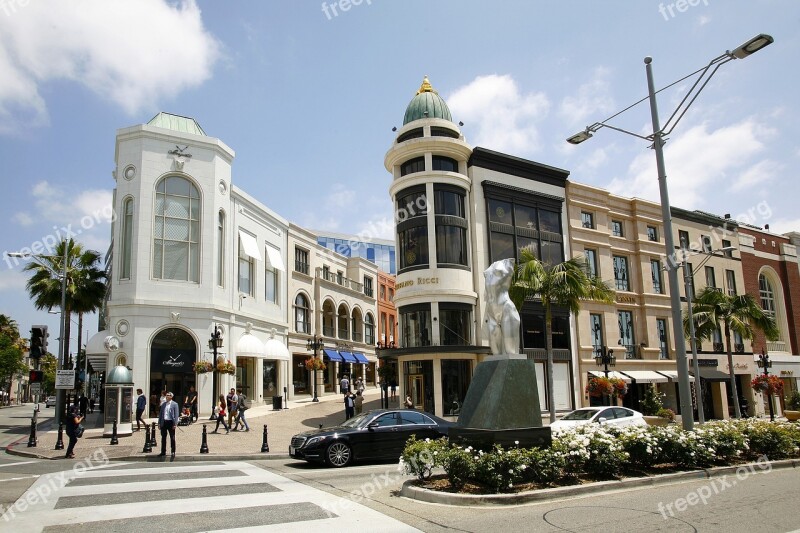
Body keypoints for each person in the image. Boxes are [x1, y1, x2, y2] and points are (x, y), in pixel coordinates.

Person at [158, 391, 179, 458]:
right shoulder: (163, 404)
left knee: (172, 437)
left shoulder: (174, 404)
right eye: (166, 395)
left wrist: (175, 424)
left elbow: (176, 415)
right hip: (164, 422)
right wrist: (159, 423)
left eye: (168, 395)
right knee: (163, 437)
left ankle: (173, 451)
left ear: (171, 397)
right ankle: (163, 451)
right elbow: (161, 414)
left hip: (170, 422)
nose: (167, 396)